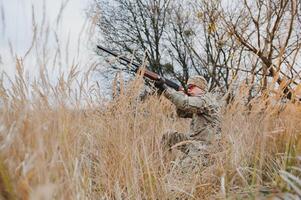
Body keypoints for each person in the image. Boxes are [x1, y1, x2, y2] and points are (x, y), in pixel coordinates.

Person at [155, 75, 222, 163]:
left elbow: (184, 103)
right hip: (193, 143)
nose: (189, 90)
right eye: (187, 87)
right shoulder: (200, 102)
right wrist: (180, 94)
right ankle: (163, 166)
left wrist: (165, 89)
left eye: (191, 87)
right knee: (168, 136)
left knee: (179, 173)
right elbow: (182, 112)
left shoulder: (206, 100)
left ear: (201, 88)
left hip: (204, 149)